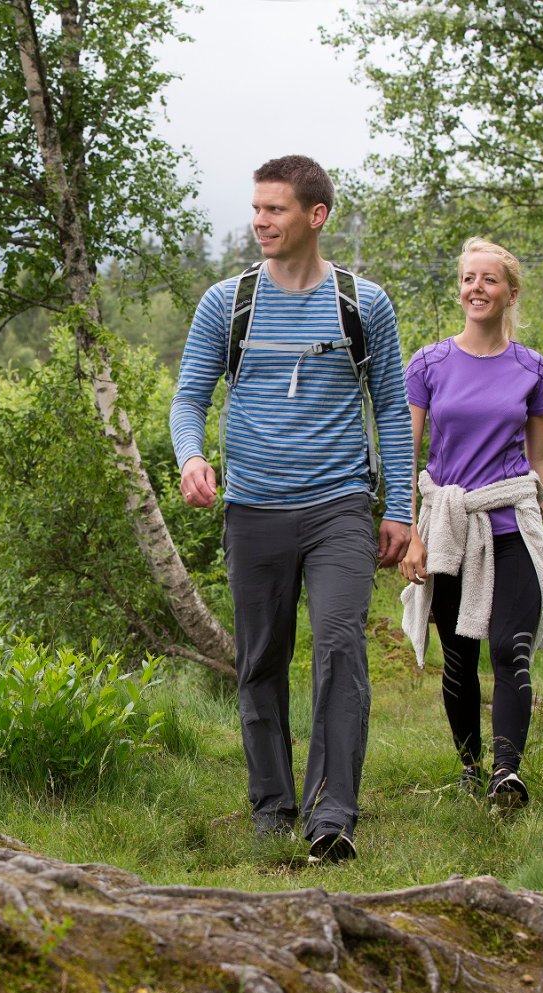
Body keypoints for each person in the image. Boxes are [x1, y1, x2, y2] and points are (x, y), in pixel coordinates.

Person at [170, 155, 414, 863]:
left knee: (339, 649)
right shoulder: (227, 302)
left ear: (315, 217)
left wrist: (397, 505)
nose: (259, 222)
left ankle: (332, 817)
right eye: (255, 209)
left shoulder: (363, 304)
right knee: (260, 662)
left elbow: (392, 410)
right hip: (252, 509)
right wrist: (190, 455)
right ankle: (271, 809)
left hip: (339, 503)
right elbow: (189, 396)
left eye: (273, 210)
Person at [398, 237, 543, 812]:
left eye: (489, 280)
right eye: (468, 278)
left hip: (513, 525)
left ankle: (507, 774)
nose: (476, 288)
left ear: (510, 293)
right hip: (450, 525)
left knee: (510, 648)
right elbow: (408, 450)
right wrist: (411, 530)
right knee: (459, 657)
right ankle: (470, 768)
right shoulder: (429, 363)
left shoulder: (530, 367)